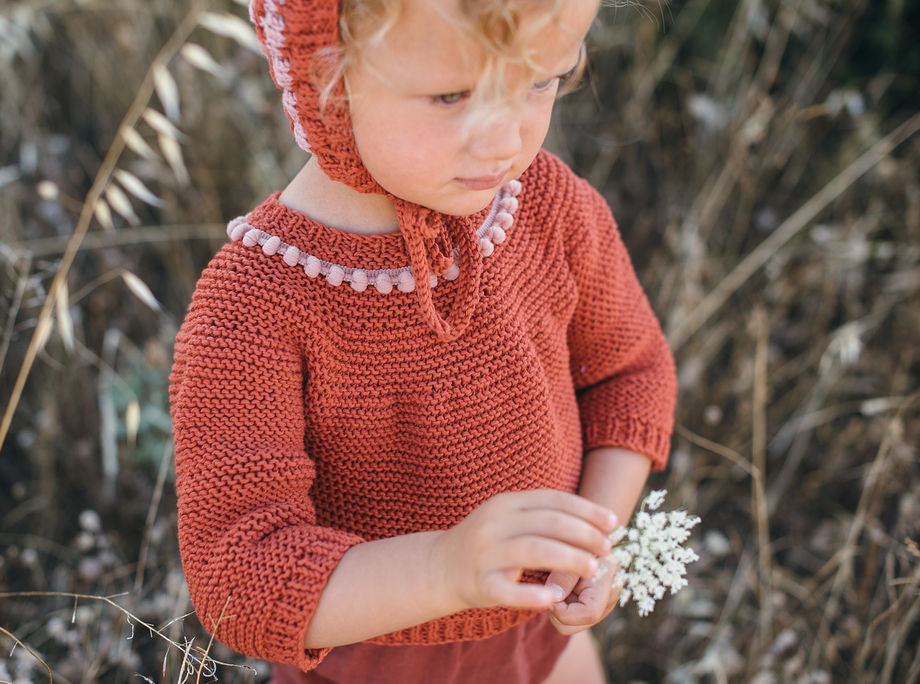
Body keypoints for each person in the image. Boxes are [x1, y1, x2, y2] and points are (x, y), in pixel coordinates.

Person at [169, 0, 676, 681]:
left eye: (541, 82)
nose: (504, 142)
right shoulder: (255, 307)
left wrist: (590, 536)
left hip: (543, 637)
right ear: (330, 79)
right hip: (375, 660)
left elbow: (630, 374)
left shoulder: (549, 206)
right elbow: (238, 577)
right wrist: (445, 569)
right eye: (450, 95)